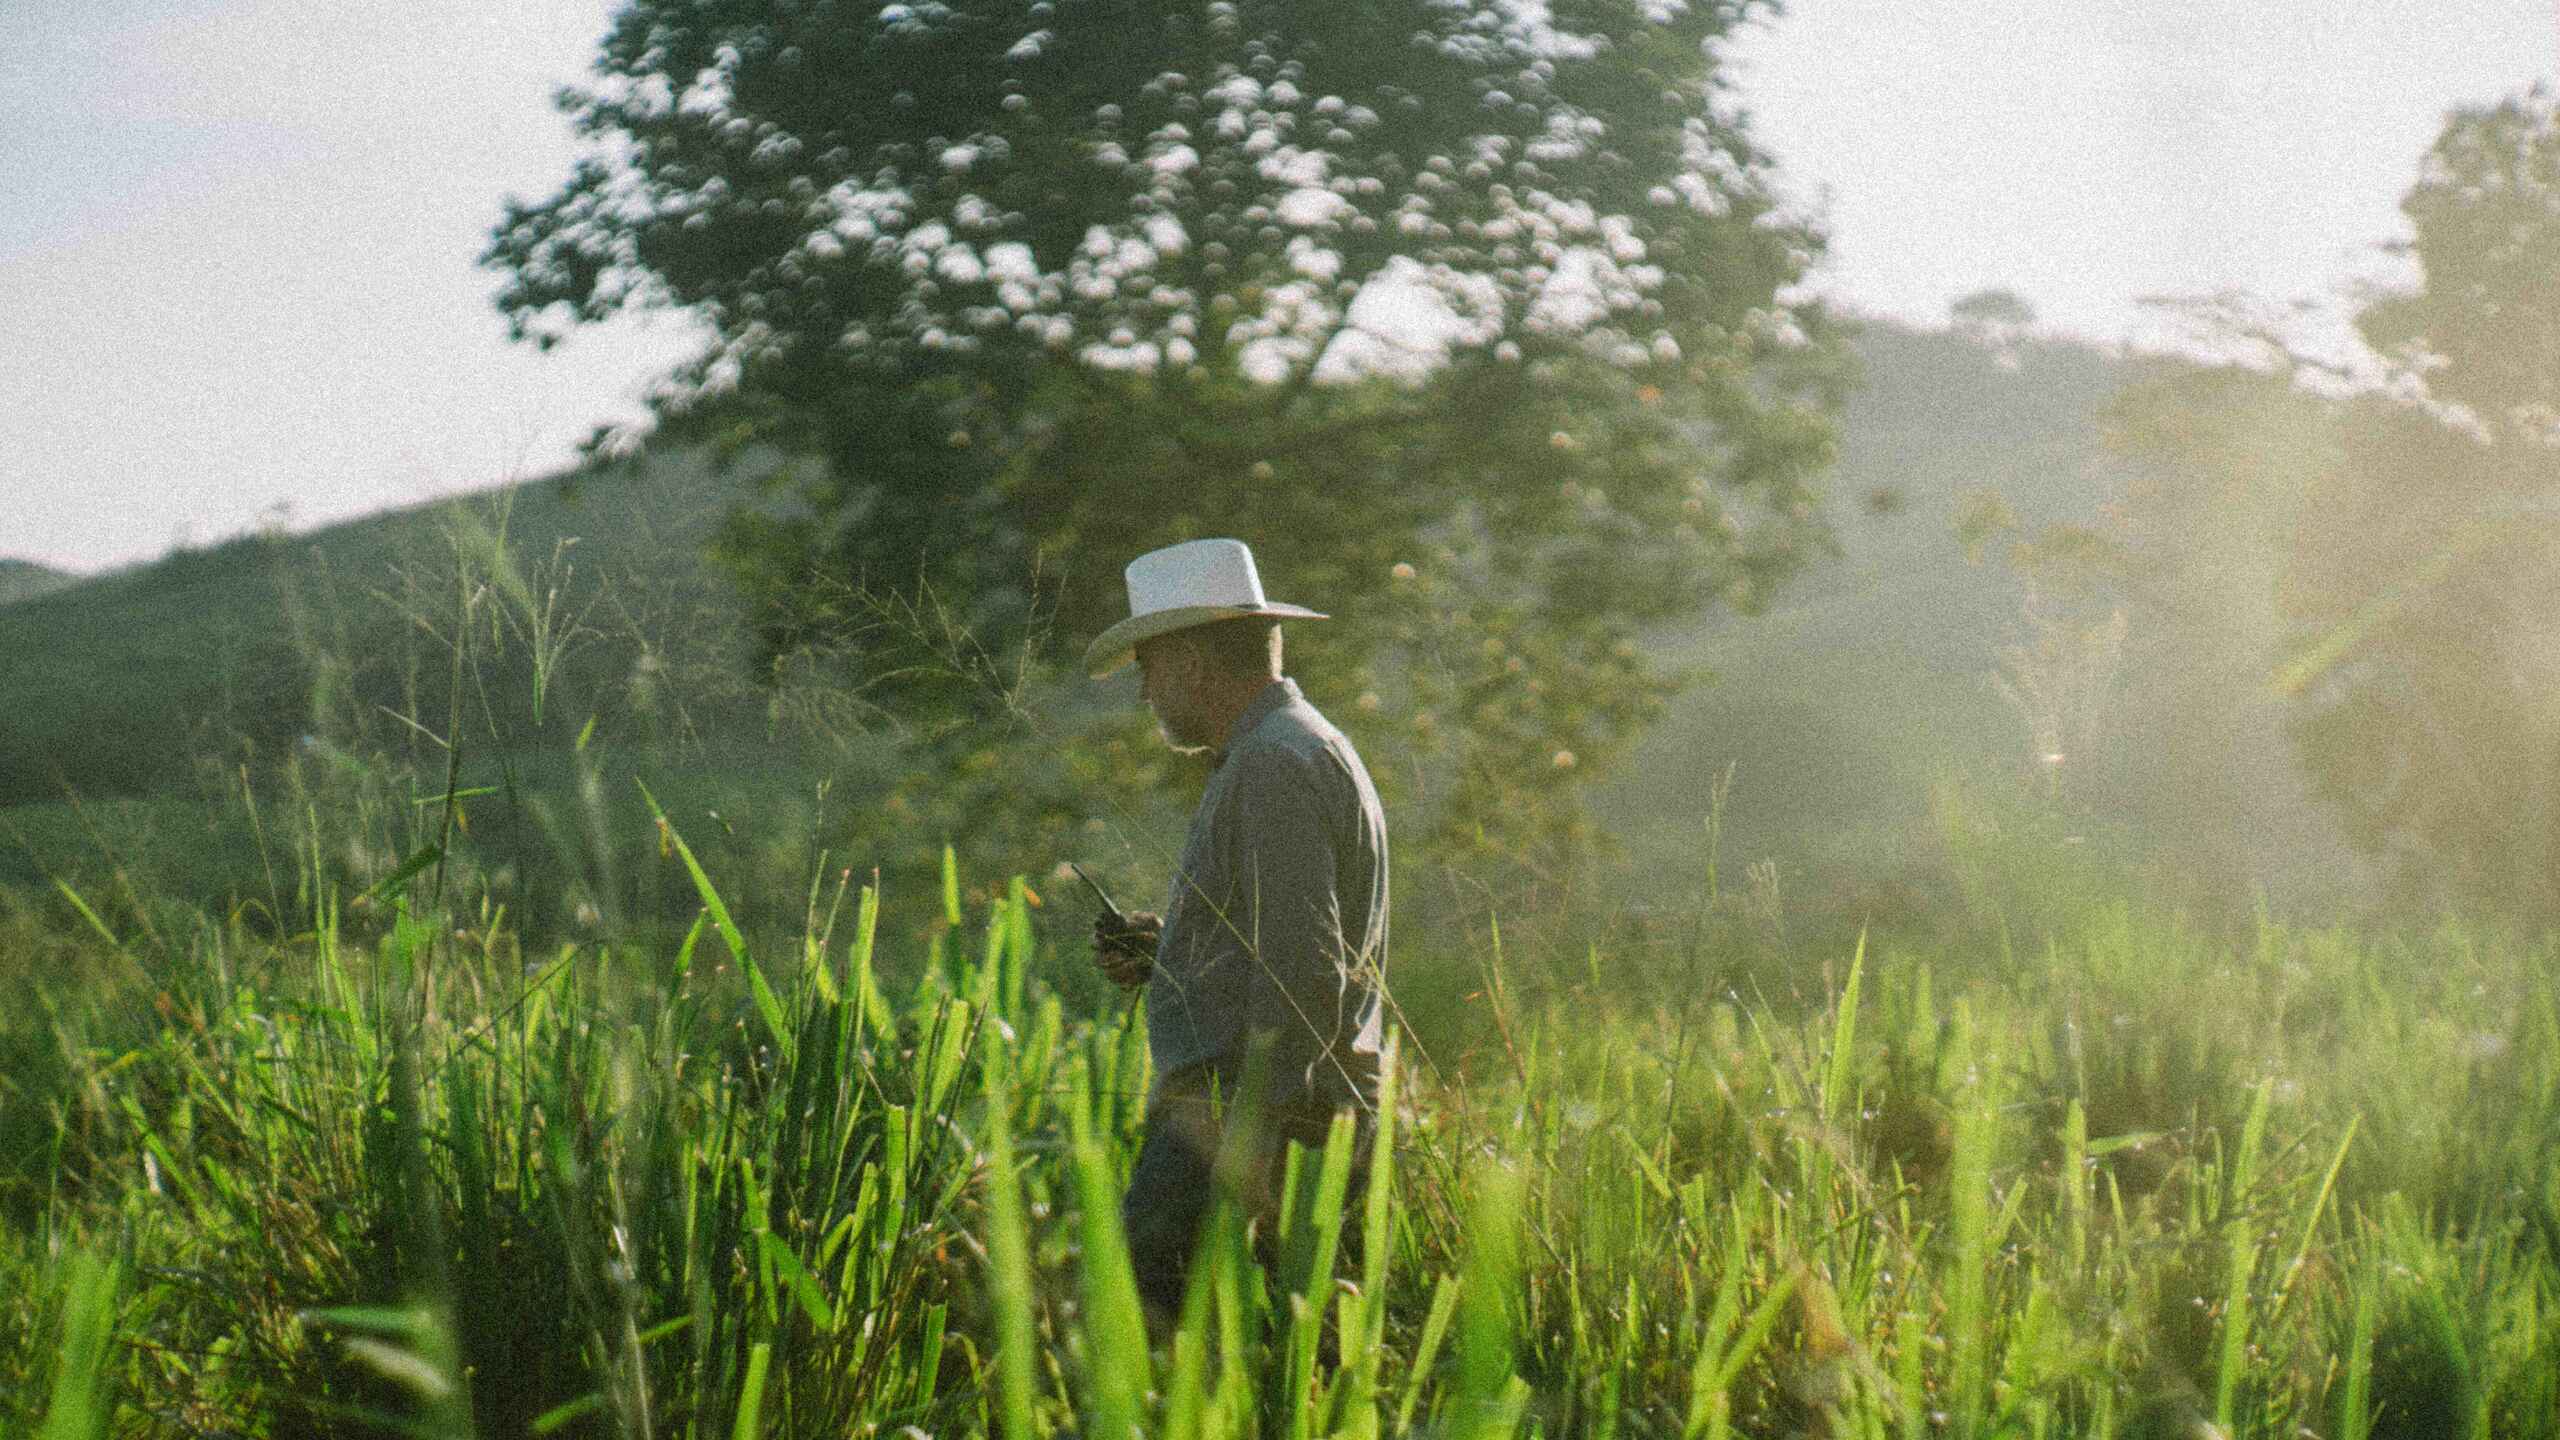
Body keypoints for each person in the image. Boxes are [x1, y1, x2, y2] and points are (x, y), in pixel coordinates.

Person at [1083, 537, 1389, 1328]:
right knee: (1248, 1370)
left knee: (1138, 1345)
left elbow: (1303, 972)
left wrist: (1252, 1152)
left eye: (1146, 670)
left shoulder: (1271, 765)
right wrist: (1173, 951)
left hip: (1243, 1120)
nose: (1143, 695)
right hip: (1276, 1117)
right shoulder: (1296, 747)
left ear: (1187, 663)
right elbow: (1290, 944)